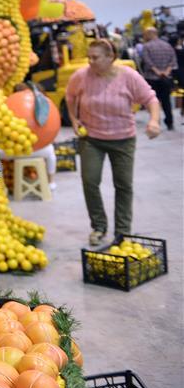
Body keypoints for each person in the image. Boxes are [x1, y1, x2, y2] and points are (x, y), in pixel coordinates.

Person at [65, 39, 161, 246]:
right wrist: (74, 119)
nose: (90, 61)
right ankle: (99, 226)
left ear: (111, 57)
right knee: (90, 182)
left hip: (123, 139)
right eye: (89, 57)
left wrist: (154, 121)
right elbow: (70, 96)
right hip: (91, 138)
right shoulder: (81, 76)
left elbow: (151, 99)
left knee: (123, 185)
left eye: (95, 57)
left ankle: (122, 233)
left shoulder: (129, 76)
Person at [139, 27, 178, 130]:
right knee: (166, 101)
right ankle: (169, 123)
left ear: (149, 34)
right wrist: (165, 72)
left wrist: (157, 72)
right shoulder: (167, 46)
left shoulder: (146, 46)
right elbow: (173, 61)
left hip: (152, 78)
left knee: (153, 101)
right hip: (166, 78)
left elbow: (147, 62)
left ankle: (155, 122)